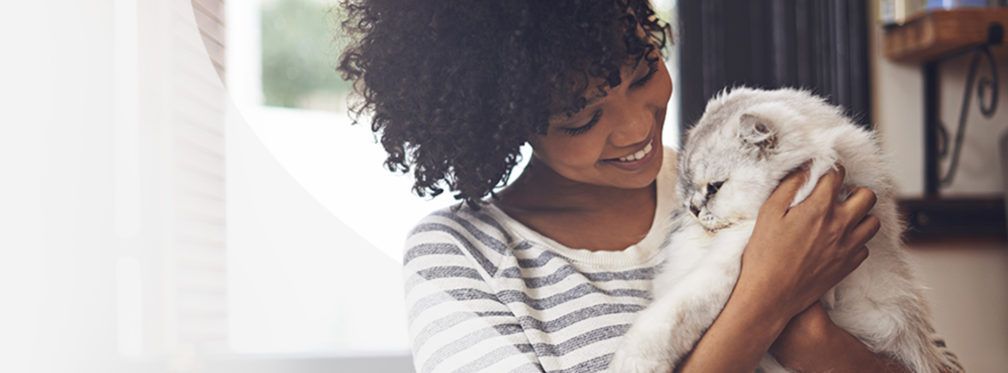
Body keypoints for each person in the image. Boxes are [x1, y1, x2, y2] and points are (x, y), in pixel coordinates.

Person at [335, 1, 962, 372]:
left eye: (642, 73)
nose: (638, 127)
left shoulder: (750, 179)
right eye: (581, 117)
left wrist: (819, 344)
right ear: (500, 121)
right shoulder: (459, 259)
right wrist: (764, 302)